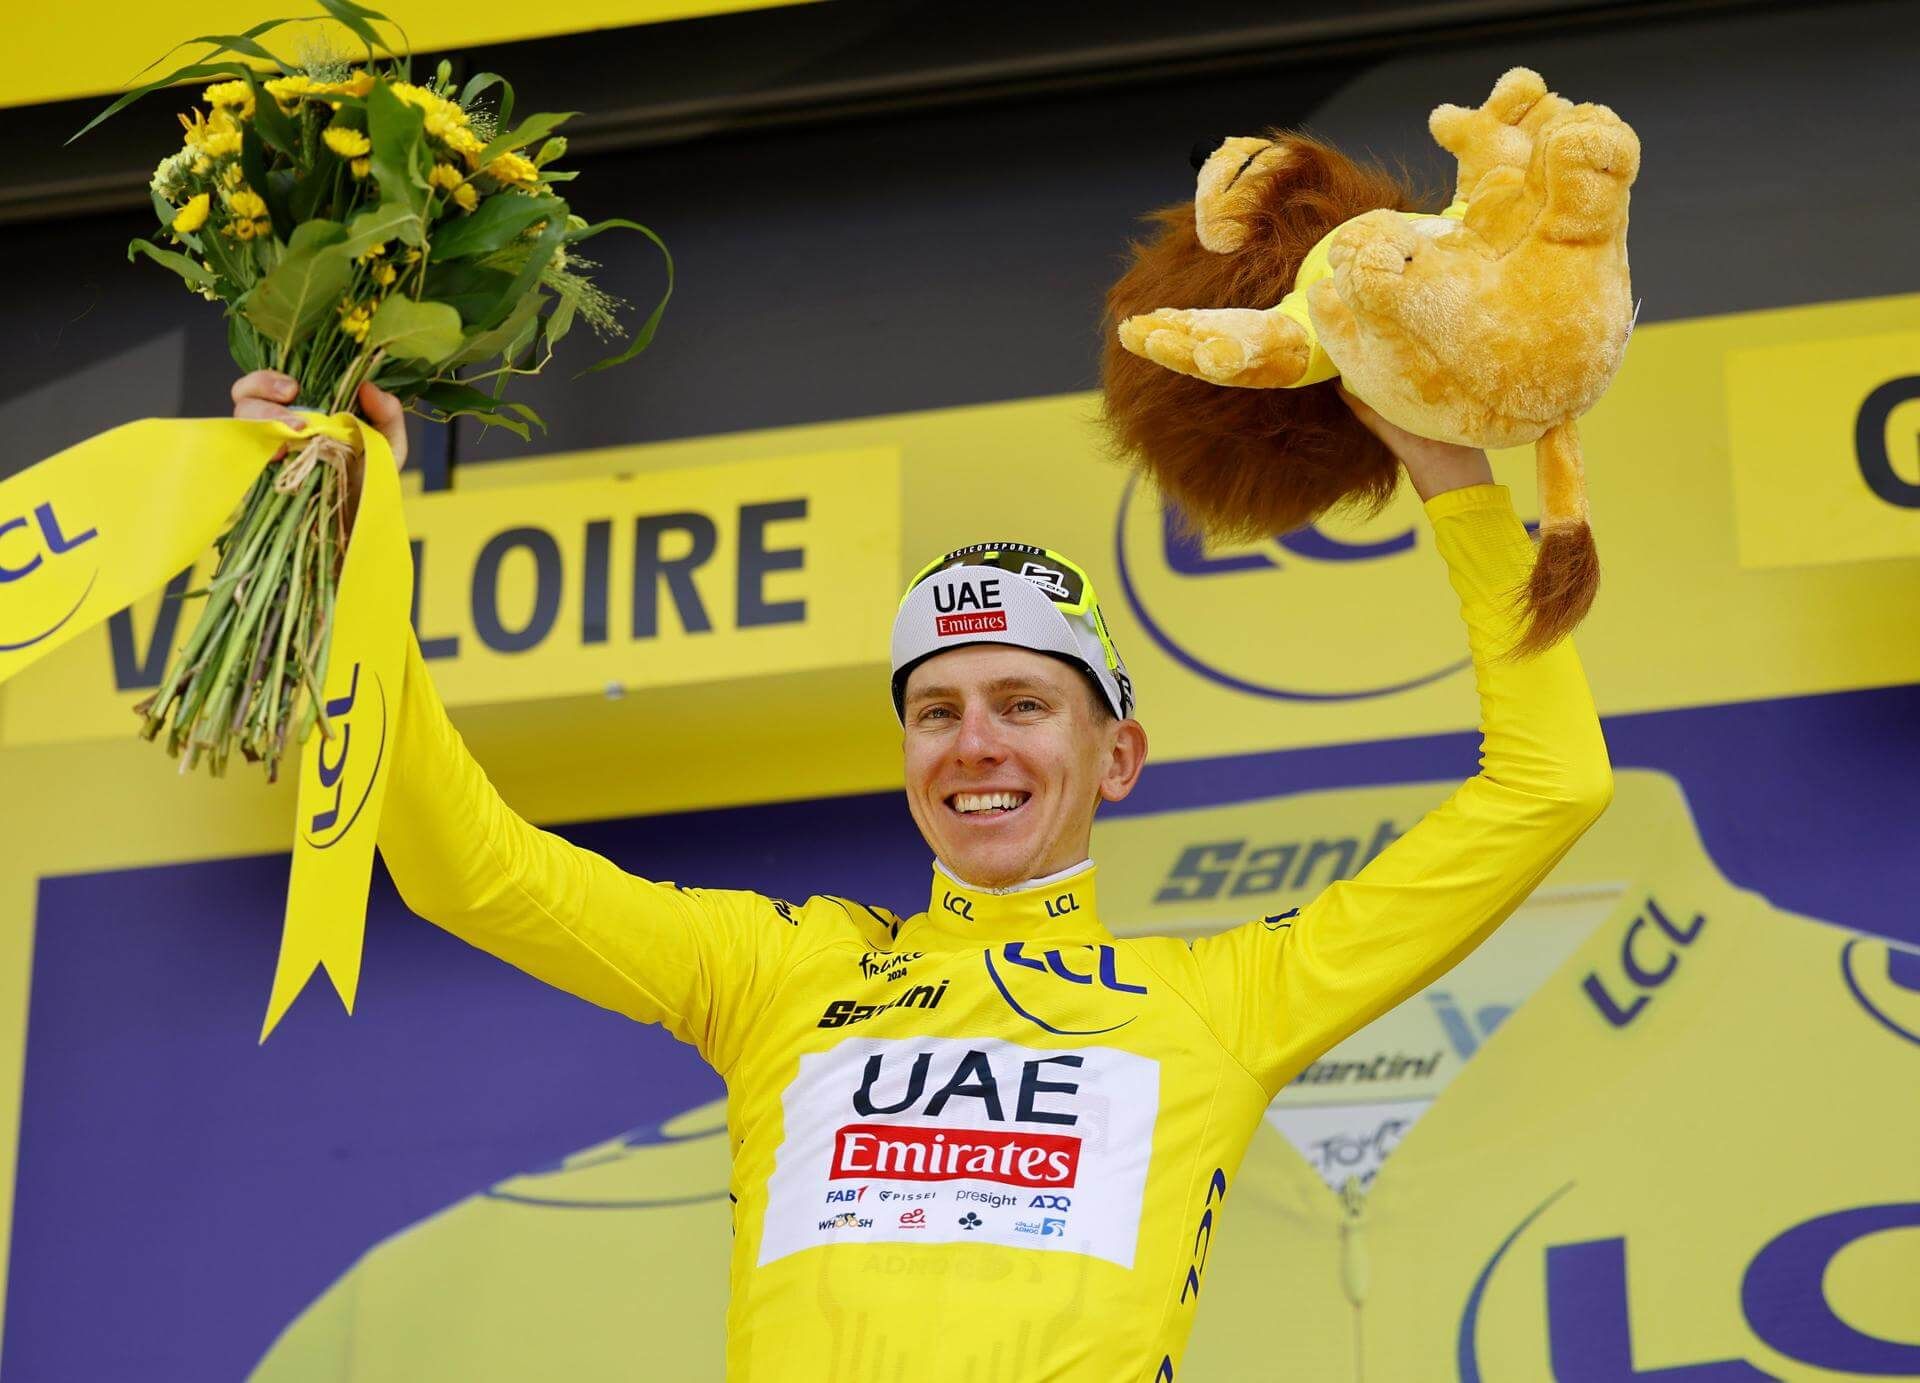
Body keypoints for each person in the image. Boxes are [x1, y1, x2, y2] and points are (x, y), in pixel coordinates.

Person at [231, 369, 1613, 1381]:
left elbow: (1550, 785)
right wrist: (352, 552)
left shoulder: (1223, 1000)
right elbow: (462, 867)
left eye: (1023, 703)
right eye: (936, 710)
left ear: (1116, 754)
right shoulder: (781, 974)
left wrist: (1452, 483)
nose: (975, 746)